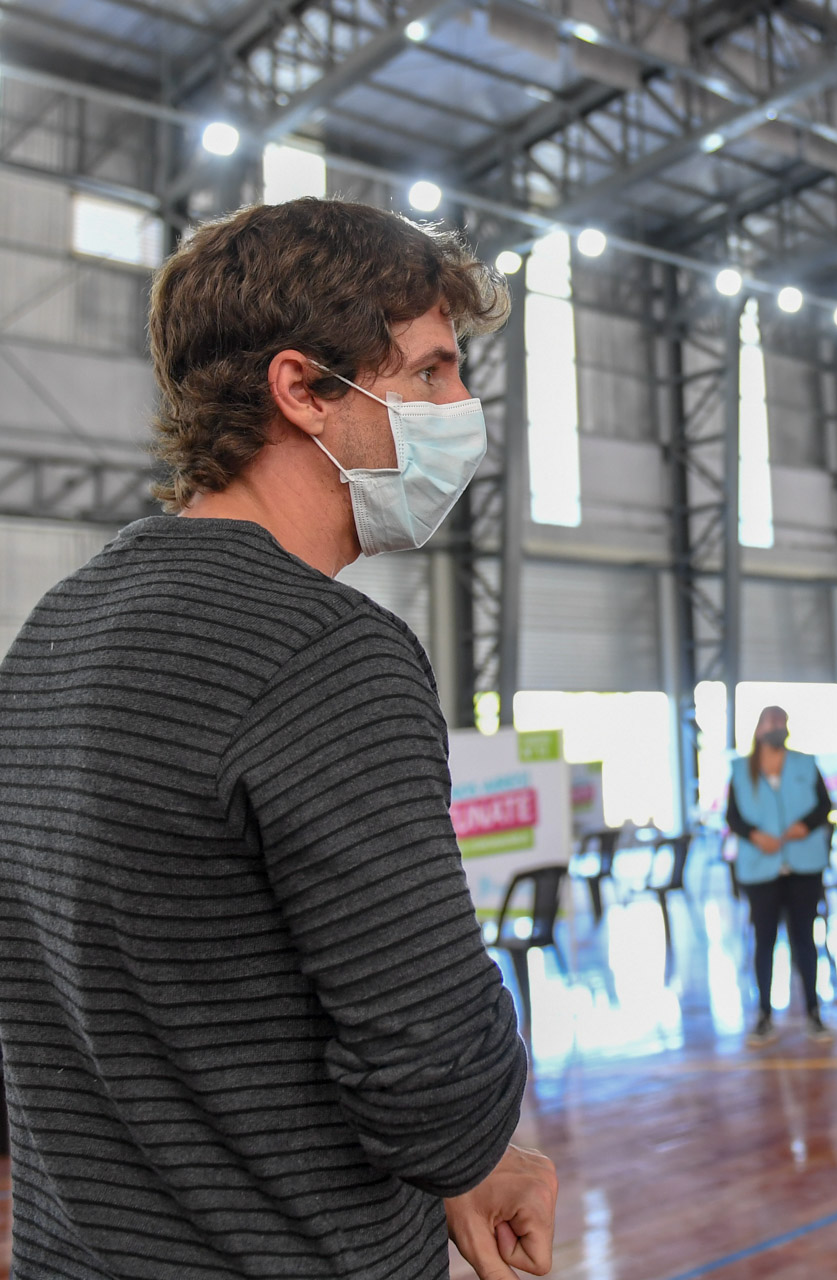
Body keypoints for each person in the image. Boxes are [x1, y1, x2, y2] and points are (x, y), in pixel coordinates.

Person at [0, 200, 555, 1278]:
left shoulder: (53, 633)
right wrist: (480, 1143)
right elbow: (433, 1076)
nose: (462, 405)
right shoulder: (328, 655)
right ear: (302, 388)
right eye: (434, 372)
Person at [727, 705, 836, 1046]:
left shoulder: (805, 763)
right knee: (765, 941)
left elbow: (824, 806)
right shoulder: (741, 771)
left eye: (782, 722)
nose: (777, 727)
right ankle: (763, 1015)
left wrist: (804, 827)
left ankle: (814, 1013)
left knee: (805, 938)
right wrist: (754, 834)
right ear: (757, 728)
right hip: (762, 868)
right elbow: (732, 817)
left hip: (803, 864)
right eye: (770, 722)